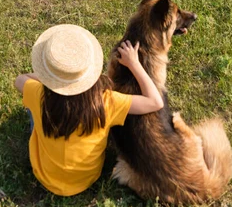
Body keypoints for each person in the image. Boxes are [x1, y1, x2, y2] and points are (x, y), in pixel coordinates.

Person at [14, 24, 163, 196]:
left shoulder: (38, 94)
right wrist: (134, 64)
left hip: (45, 176)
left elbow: (20, 79)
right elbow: (154, 102)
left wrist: (52, 78)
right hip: (87, 179)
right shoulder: (107, 100)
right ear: (90, 71)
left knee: (32, 109)